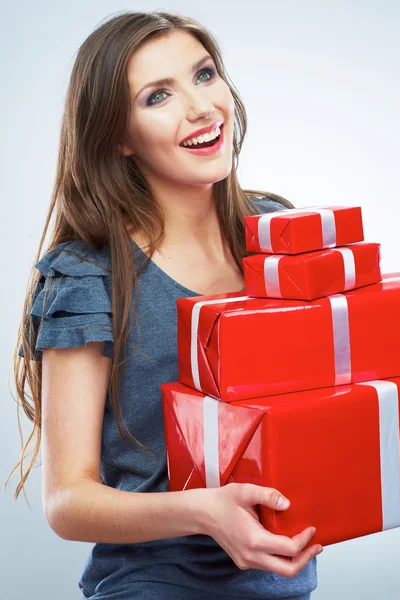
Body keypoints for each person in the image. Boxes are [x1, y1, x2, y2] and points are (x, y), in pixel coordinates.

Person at [7, 10, 320, 600]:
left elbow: (336, 394)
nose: (201, 107)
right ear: (119, 137)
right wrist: (205, 512)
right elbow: (67, 501)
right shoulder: (88, 274)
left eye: (204, 75)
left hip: (285, 587)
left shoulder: (274, 230)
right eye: (158, 97)